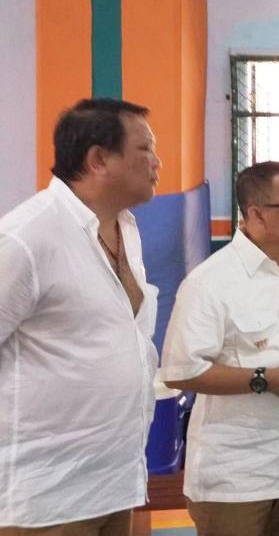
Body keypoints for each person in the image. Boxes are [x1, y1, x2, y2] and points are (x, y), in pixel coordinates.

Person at [159, 161, 279, 536]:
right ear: (256, 214)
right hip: (239, 474)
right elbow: (182, 369)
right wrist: (263, 379)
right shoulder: (211, 282)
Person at [0, 98, 161, 535]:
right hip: (46, 495)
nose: (157, 162)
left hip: (115, 479)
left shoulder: (125, 228)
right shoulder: (26, 237)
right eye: (145, 149)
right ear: (98, 159)